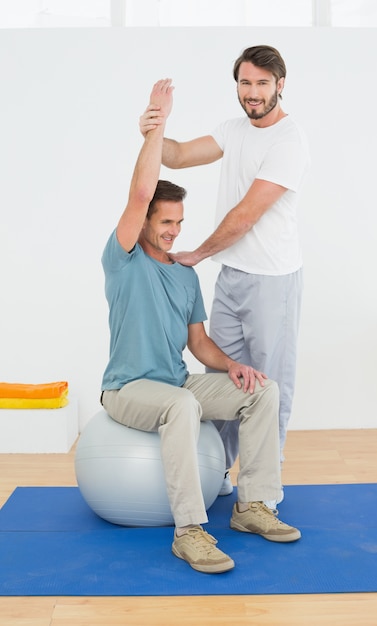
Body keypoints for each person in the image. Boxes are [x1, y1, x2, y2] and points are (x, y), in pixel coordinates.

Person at [100, 78, 301, 575]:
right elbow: (142, 189)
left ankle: (253, 505)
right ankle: (189, 530)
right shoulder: (123, 258)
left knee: (262, 389)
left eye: (179, 223)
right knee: (184, 404)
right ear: (144, 221)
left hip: (174, 382)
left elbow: (198, 343)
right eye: (164, 222)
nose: (173, 231)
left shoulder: (182, 272)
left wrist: (233, 366)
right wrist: (156, 126)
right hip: (128, 388)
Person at [140, 45, 310, 504]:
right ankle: (216, 473)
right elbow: (174, 156)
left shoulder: (288, 140)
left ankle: (263, 491)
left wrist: (197, 253)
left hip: (272, 281)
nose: (252, 93)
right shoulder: (233, 131)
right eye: (245, 83)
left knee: (269, 385)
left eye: (261, 83)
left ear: (280, 84)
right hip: (233, 277)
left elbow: (245, 216)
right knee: (227, 383)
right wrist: (155, 127)